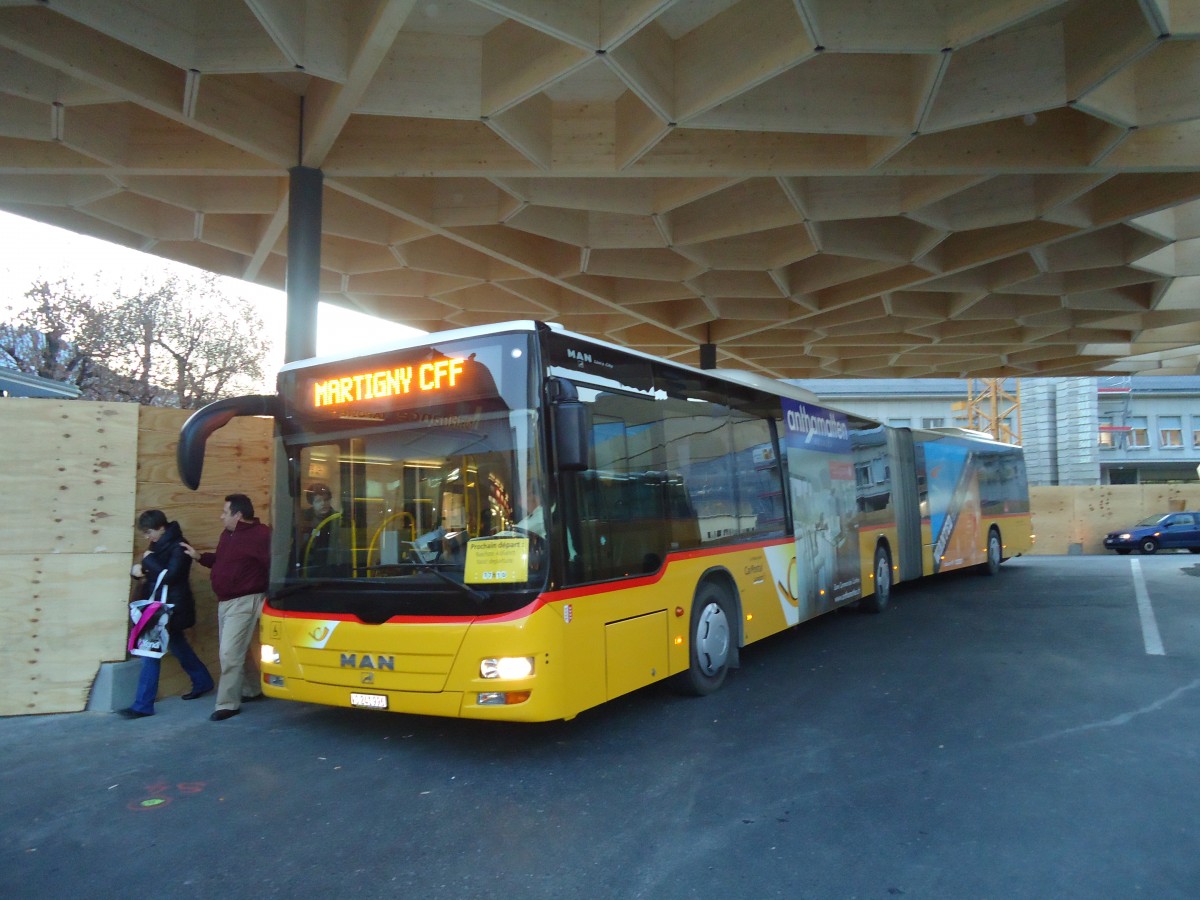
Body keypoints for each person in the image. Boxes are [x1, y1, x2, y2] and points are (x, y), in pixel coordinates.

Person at [182, 493, 272, 722]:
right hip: (226, 602)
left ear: (238, 515)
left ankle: (227, 703)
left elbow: (274, 564)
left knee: (229, 653)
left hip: (246, 600)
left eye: (225, 512)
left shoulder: (261, 536)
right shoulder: (228, 535)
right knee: (237, 649)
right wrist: (199, 556)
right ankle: (252, 689)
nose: (221, 516)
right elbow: (222, 562)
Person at [118, 510, 214, 719]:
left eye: (149, 532)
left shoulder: (179, 547)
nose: (147, 537)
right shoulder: (160, 544)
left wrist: (148, 560)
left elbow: (170, 575)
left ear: (161, 528)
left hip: (169, 608)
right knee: (177, 646)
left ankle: (143, 705)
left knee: (150, 654)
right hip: (164, 606)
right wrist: (139, 570)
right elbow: (156, 571)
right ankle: (202, 680)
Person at [299, 482, 340, 573]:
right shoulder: (304, 518)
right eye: (318, 501)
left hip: (330, 566)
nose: (323, 504)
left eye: (326, 500)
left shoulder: (337, 518)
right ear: (311, 503)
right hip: (306, 565)